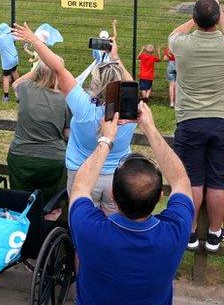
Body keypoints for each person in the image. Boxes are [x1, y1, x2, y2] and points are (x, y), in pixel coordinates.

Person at [68, 102, 193, 305]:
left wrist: (106, 139)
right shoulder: (174, 233)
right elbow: (181, 181)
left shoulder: (91, 231)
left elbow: (80, 186)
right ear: (160, 196)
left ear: (113, 195)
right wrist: (150, 128)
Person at [13, 22, 135, 216]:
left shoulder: (83, 107)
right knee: (113, 227)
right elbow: (130, 87)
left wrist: (36, 40)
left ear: (96, 82)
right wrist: (115, 58)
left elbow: (58, 69)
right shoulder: (131, 112)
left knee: (82, 226)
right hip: (115, 178)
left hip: (82, 175)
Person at [168, 0, 224, 252]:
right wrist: (219, 13)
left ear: (196, 20)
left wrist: (196, 17)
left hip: (190, 120)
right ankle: (213, 233)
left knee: (193, 181)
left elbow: (174, 33)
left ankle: (189, 232)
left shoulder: (182, 45)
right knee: (219, 183)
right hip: (223, 121)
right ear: (217, 19)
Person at [6, 60, 70, 204]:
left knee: (20, 204)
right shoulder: (65, 98)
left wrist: (41, 65)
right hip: (53, 160)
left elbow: (15, 84)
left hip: (20, 156)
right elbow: (68, 133)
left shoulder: (25, 89)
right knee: (50, 206)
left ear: (37, 72)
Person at [0, 23, 20, 102]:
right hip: (15, 58)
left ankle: (6, 96)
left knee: (6, 77)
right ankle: (20, 90)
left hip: (7, 61)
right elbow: (19, 36)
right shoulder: (11, 36)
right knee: (14, 71)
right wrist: (12, 29)